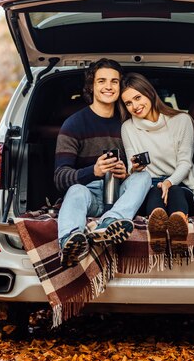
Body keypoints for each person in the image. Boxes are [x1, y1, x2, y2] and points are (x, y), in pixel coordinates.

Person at [54, 59, 152, 267]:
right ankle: (70, 241)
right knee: (75, 191)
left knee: (143, 177)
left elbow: (144, 164)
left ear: (119, 87)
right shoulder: (74, 124)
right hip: (88, 195)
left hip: (121, 197)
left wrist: (127, 172)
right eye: (102, 81)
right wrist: (94, 170)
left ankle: (110, 223)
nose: (108, 86)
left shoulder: (129, 122)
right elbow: (60, 177)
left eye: (114, 82)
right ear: (91, 86)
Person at [119, 73, 194, 254]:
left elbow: (185, 163)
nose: (135, 106)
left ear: (150, 93)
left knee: (175, 192)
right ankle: (158, 230)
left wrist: (169, 182)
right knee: (155, 192)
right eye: (128, 103)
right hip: (148, 186)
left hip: (181, 186)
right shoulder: (128, 127)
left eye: (138, 98)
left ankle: (179, 227)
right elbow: (132, 167)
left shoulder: (182, 120)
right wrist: (135, 167)